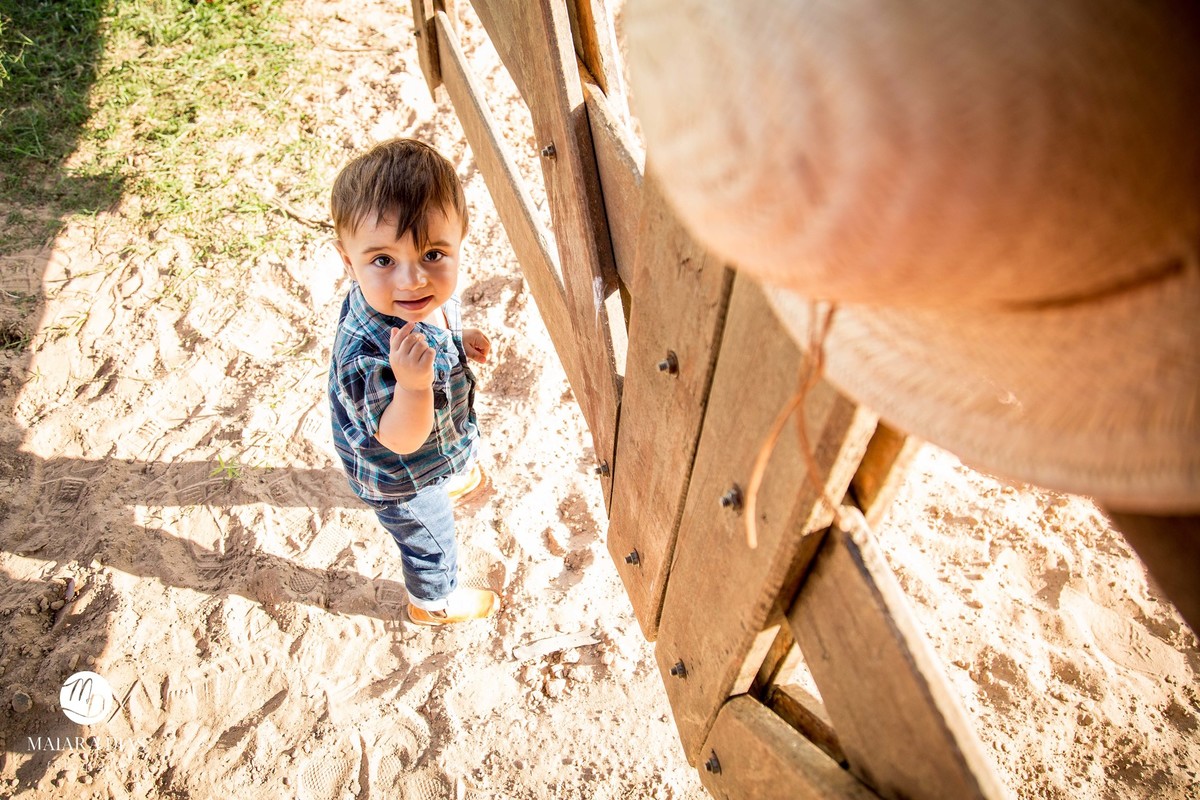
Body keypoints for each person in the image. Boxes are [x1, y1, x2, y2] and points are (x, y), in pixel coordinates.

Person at [327, 138, 499, 626]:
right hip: (403, 476)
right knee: (430, 536)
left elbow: (432, 330)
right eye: (383, 260)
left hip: (437, 439)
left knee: (442, 458)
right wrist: (414, 386)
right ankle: (434, 602)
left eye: (433, 253)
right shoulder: (367, 352)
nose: (411, 281)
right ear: (349, 261)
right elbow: (401, 438)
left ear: (461, 238)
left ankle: (452, 471)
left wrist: (456, 340)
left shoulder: (415, 302)